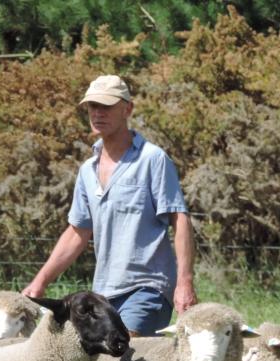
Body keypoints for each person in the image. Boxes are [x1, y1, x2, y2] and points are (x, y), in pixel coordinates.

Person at [22, 75, 197, 336]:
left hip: (148, 287)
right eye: (93, 106)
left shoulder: (152, 160)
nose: (98, 113)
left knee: (121, 349)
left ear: (128, 109)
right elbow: (77, 232)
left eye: (106, 106)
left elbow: (179, 219)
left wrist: (184, 282)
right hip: (104, 293)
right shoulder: (87, 171)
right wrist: (39, 283)